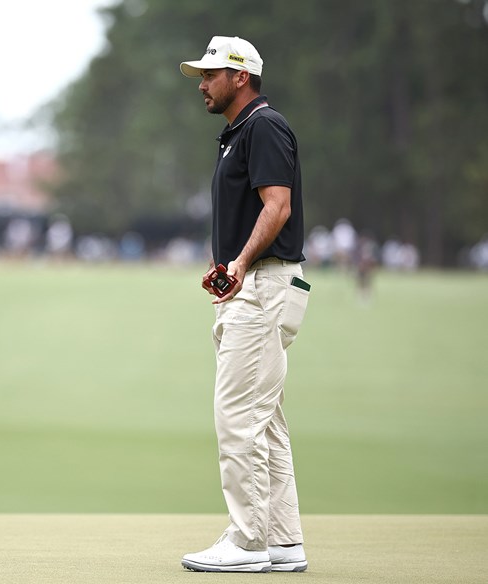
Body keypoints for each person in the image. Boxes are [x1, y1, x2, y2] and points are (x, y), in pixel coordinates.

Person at [178, 36, 310, 573]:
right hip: (254, 286)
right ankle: (282, 541)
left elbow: (277, 205)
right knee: (265, 420)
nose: (202, 84)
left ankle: (248, 541)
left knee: (238, 417)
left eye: (211, 74)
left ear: (241, 76)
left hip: (261, 287)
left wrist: (238, 262)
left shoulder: (264, 126)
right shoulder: (237, 132)